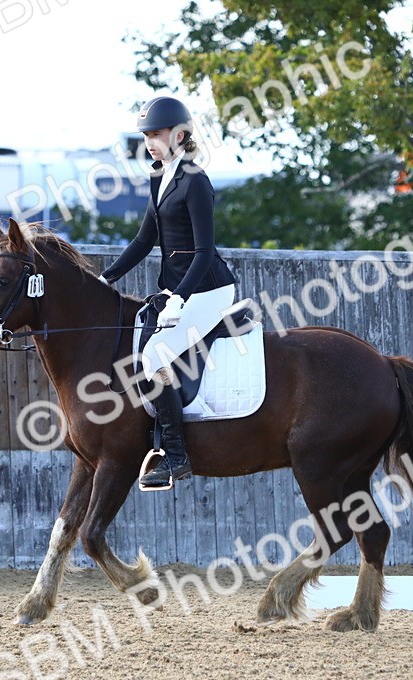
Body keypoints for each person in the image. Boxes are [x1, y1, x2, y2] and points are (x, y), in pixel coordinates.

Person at [102, 97, 237, 489]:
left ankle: (176, 456)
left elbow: (204, 251)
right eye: (146, 136)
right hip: (178, 289)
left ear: (179, 135)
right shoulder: (158, 177)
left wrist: (180, 297)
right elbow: (145, 239)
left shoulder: (195, 181)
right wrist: (106, 278)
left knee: (154, 354)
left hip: (209, 289)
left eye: (156, 134)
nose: (150, 142)